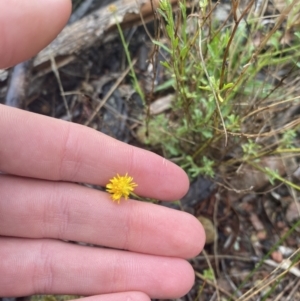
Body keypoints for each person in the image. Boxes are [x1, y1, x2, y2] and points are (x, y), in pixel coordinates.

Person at [0, 1, 205, 300]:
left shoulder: (120, 188)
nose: (120, 186)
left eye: (121, 187)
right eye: (120, 187)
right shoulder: (118, 188)